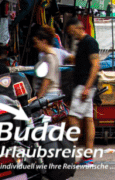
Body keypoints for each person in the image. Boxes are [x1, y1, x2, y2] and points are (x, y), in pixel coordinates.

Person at [64, 17, 100, 166]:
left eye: (72, 31)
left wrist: (87, 87)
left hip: (84, 85)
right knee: (88, 119)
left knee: (73, 118)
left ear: (79, 27)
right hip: (85, 85)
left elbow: (95, 65)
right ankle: (88, 156)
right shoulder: (81, 44)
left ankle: (70, 154)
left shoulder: (90, 42)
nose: (72, 34)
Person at [32, 27, 61, 99]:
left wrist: (39, 98)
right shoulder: (47, 56)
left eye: (36, 43)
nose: (35, 46)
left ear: (44, 41)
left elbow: (47, 80)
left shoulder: (49, 58)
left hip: (48, 96)